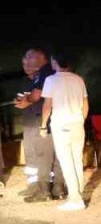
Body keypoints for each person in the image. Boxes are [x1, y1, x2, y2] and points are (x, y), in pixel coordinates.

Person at [39, 51, 89, 211]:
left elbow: (47, 105)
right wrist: (81, 119)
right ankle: (78, 194)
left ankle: (75, 199)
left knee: (67, 162)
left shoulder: (51, 80)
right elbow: (85, 104)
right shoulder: (78, 79)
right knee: (77, 160)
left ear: (55, 62)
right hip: (77, 123)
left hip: (62, 124)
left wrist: (43, 125)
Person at [14, 47, 64, 202]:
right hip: (35, 122)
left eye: (29, 58)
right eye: (24, 58)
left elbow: (37, 96)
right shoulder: (32, 78)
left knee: (45, 155)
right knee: (39, 155)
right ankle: (44, 187)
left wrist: (27, 101)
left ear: (42, 59)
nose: (25, 61)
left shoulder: (46, 73)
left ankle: (46, 190)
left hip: (44, 122)